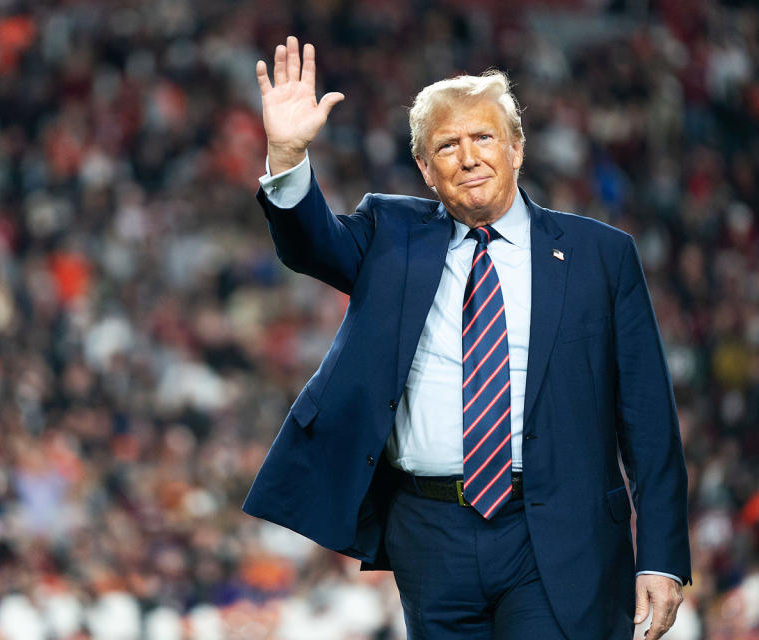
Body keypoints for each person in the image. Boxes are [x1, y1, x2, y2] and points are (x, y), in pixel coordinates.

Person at [242, 36, 692, 639]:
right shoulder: (390, 234)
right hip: (430, 533)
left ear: (516, 148)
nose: (468, 156)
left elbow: (648, 420)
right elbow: (309, 243)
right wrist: (288, 154)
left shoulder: (601, 256)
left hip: (558, 531)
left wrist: (661, 555)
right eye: (446, 146)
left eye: (483, 137)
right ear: (426, 170)